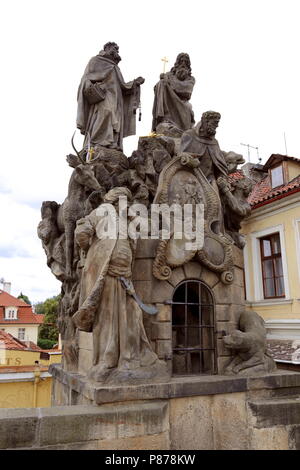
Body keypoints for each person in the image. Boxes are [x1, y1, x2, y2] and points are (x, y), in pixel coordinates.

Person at [72, 187, 165, 382]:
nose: (128, 204)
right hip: (105, 274)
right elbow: (82, 230)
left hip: (125, 277)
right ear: (115, 200)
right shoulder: (102, 212)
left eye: (129, 201)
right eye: (124, 200)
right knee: (107, 319)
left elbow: (147, 227)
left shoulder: (128, 221)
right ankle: (106, 362)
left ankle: (130, 358)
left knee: (133, 315)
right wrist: (88, 240)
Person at [77, 42, 144, 151]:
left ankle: (111, 142)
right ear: (107, 48)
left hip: (117, 98)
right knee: (105, 112)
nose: (117, 51)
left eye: (117, 50)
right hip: (103, 95)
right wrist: (92, 87)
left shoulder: (115, 67)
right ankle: (96, 142)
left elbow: (123, 85)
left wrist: (135, 83)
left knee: (115, 118)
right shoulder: (95, 61)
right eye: (114, 49)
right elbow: (86, 78)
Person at [152, 53, 195, 136]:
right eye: (181, 61)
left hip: (182, 102)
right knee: (161, 84)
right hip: (168, 101)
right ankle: (164, 118)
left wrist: (169, 83)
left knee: (189, 106)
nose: (183, 64)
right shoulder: (168, 75)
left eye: (185, 62)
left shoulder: (191, 79)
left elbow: (186, 91)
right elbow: (157, 90)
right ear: (177, 63)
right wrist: (161, 82)